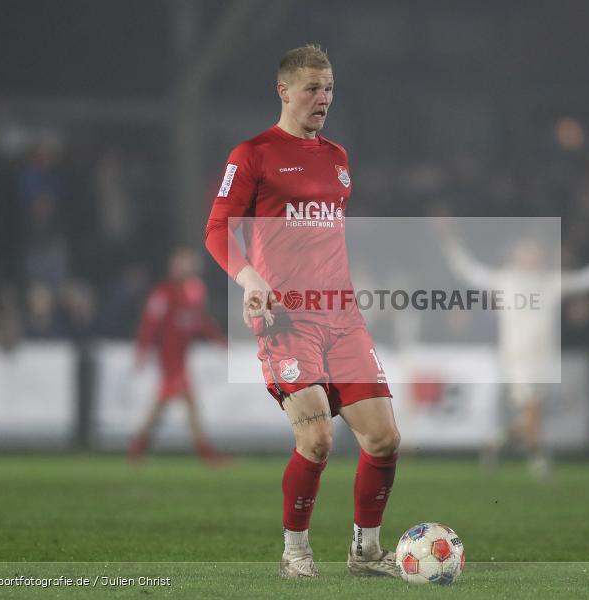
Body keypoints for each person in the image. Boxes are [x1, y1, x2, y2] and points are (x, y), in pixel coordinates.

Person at [204, 45, 400, 578]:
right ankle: (296, 551)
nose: (324, 98)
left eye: (330, 87)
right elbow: (218, 229)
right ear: (283, 90)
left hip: (342, 317)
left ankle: (365, 553)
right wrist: (249, 278)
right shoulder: (252, 155)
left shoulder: (337, 157)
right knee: (315, 439)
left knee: (384, 438)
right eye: (313, 88)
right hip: (286, 321)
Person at [439, 225, 589, 481]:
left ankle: (496, 442)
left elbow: (586, 280)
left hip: (543, 360)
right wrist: (451, 245)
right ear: (517, 255)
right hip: (517, 361)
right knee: (532, 412)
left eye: (535, 252)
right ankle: (540, 465)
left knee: (532, 416)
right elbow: (471, 272)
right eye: (526, 251)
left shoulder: (550, 282)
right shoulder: (505, 280)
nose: (531, 256)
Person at [128, 248, 228, 465]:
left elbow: (201, 321)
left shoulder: (196, 290)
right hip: (168, 358)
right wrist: (143, 350)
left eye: (189, 263)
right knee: (185, 403)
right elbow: (150, 323)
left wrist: (217, 339)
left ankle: (138, 446)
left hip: (182, 358)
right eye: (181, 263)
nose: (186, 267)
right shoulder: (163, 293)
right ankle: (205, 452)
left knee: (165, 404)